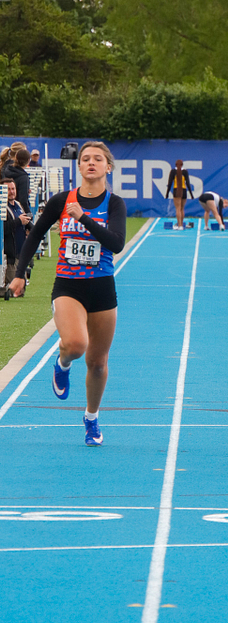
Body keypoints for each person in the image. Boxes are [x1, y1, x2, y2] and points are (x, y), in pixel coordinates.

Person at [9, 142, 127, 447]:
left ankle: (91, 417)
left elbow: (116, 243)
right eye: (85, 159)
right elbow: (35, 234)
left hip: (102, 287)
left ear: (107, 167)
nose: (91, 163)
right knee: (75, 345)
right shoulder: (62, 200)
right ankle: (62, 363)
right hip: (68, 285)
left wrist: (84, 218)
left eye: (97, 159)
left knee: (97, 363)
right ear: (79, 166)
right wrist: (19, 273)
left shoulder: (114, 204)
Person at [1, 179, 32, 294]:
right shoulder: (2, 208)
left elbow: (26, 221)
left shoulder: (18, 205)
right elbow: (3, 229)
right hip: (10, 255)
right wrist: (18, 221)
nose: (11, 192)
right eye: (8, 189)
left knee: (21, 291)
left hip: (21, 253)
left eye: (13, 189)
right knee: (15, 291)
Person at [165, 160, 194, 229]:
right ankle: (181, 224)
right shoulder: (185, 171)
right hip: (184, 191)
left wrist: (167, 193)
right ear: (182, 165)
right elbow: (188, 183)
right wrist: (191, 194)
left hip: (176, 190)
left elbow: (169, 183)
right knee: (182, 209)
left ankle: (179, 225)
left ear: (175, 165)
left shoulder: (173, 171)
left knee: (178, 209)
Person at [3, 148, 31, 214]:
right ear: (28, 161)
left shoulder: (7, 170)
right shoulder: (23, 177)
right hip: (16, 210)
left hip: (4, 207)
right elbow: (23, 200)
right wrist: (29, 214)